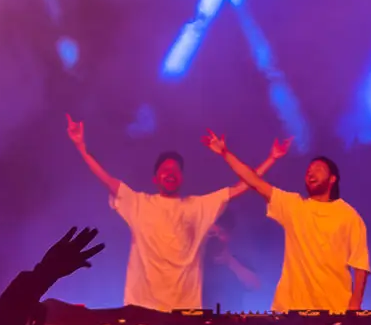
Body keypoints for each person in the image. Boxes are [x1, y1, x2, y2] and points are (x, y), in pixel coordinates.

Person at [65, 115, 285, 311]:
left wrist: (271, 159)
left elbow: (241, 187)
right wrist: (81, 148)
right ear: (155, 179)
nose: (170, 173)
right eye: (165, 170)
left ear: (181, 178)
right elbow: (107, 180)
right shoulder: (138, 203)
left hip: (185, 313)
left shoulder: (197, 206)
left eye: (175, 170)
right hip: (142, 311)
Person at [203, 131, 370, 312]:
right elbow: (254, 181)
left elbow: (360, 264)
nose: (311, 173)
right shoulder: (294, 205)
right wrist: (225, 153)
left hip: (334, 310)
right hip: (291, 311)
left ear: (332, 179)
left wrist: (355, 304)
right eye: (308, 171)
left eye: (318, 169)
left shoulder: (348, 216)